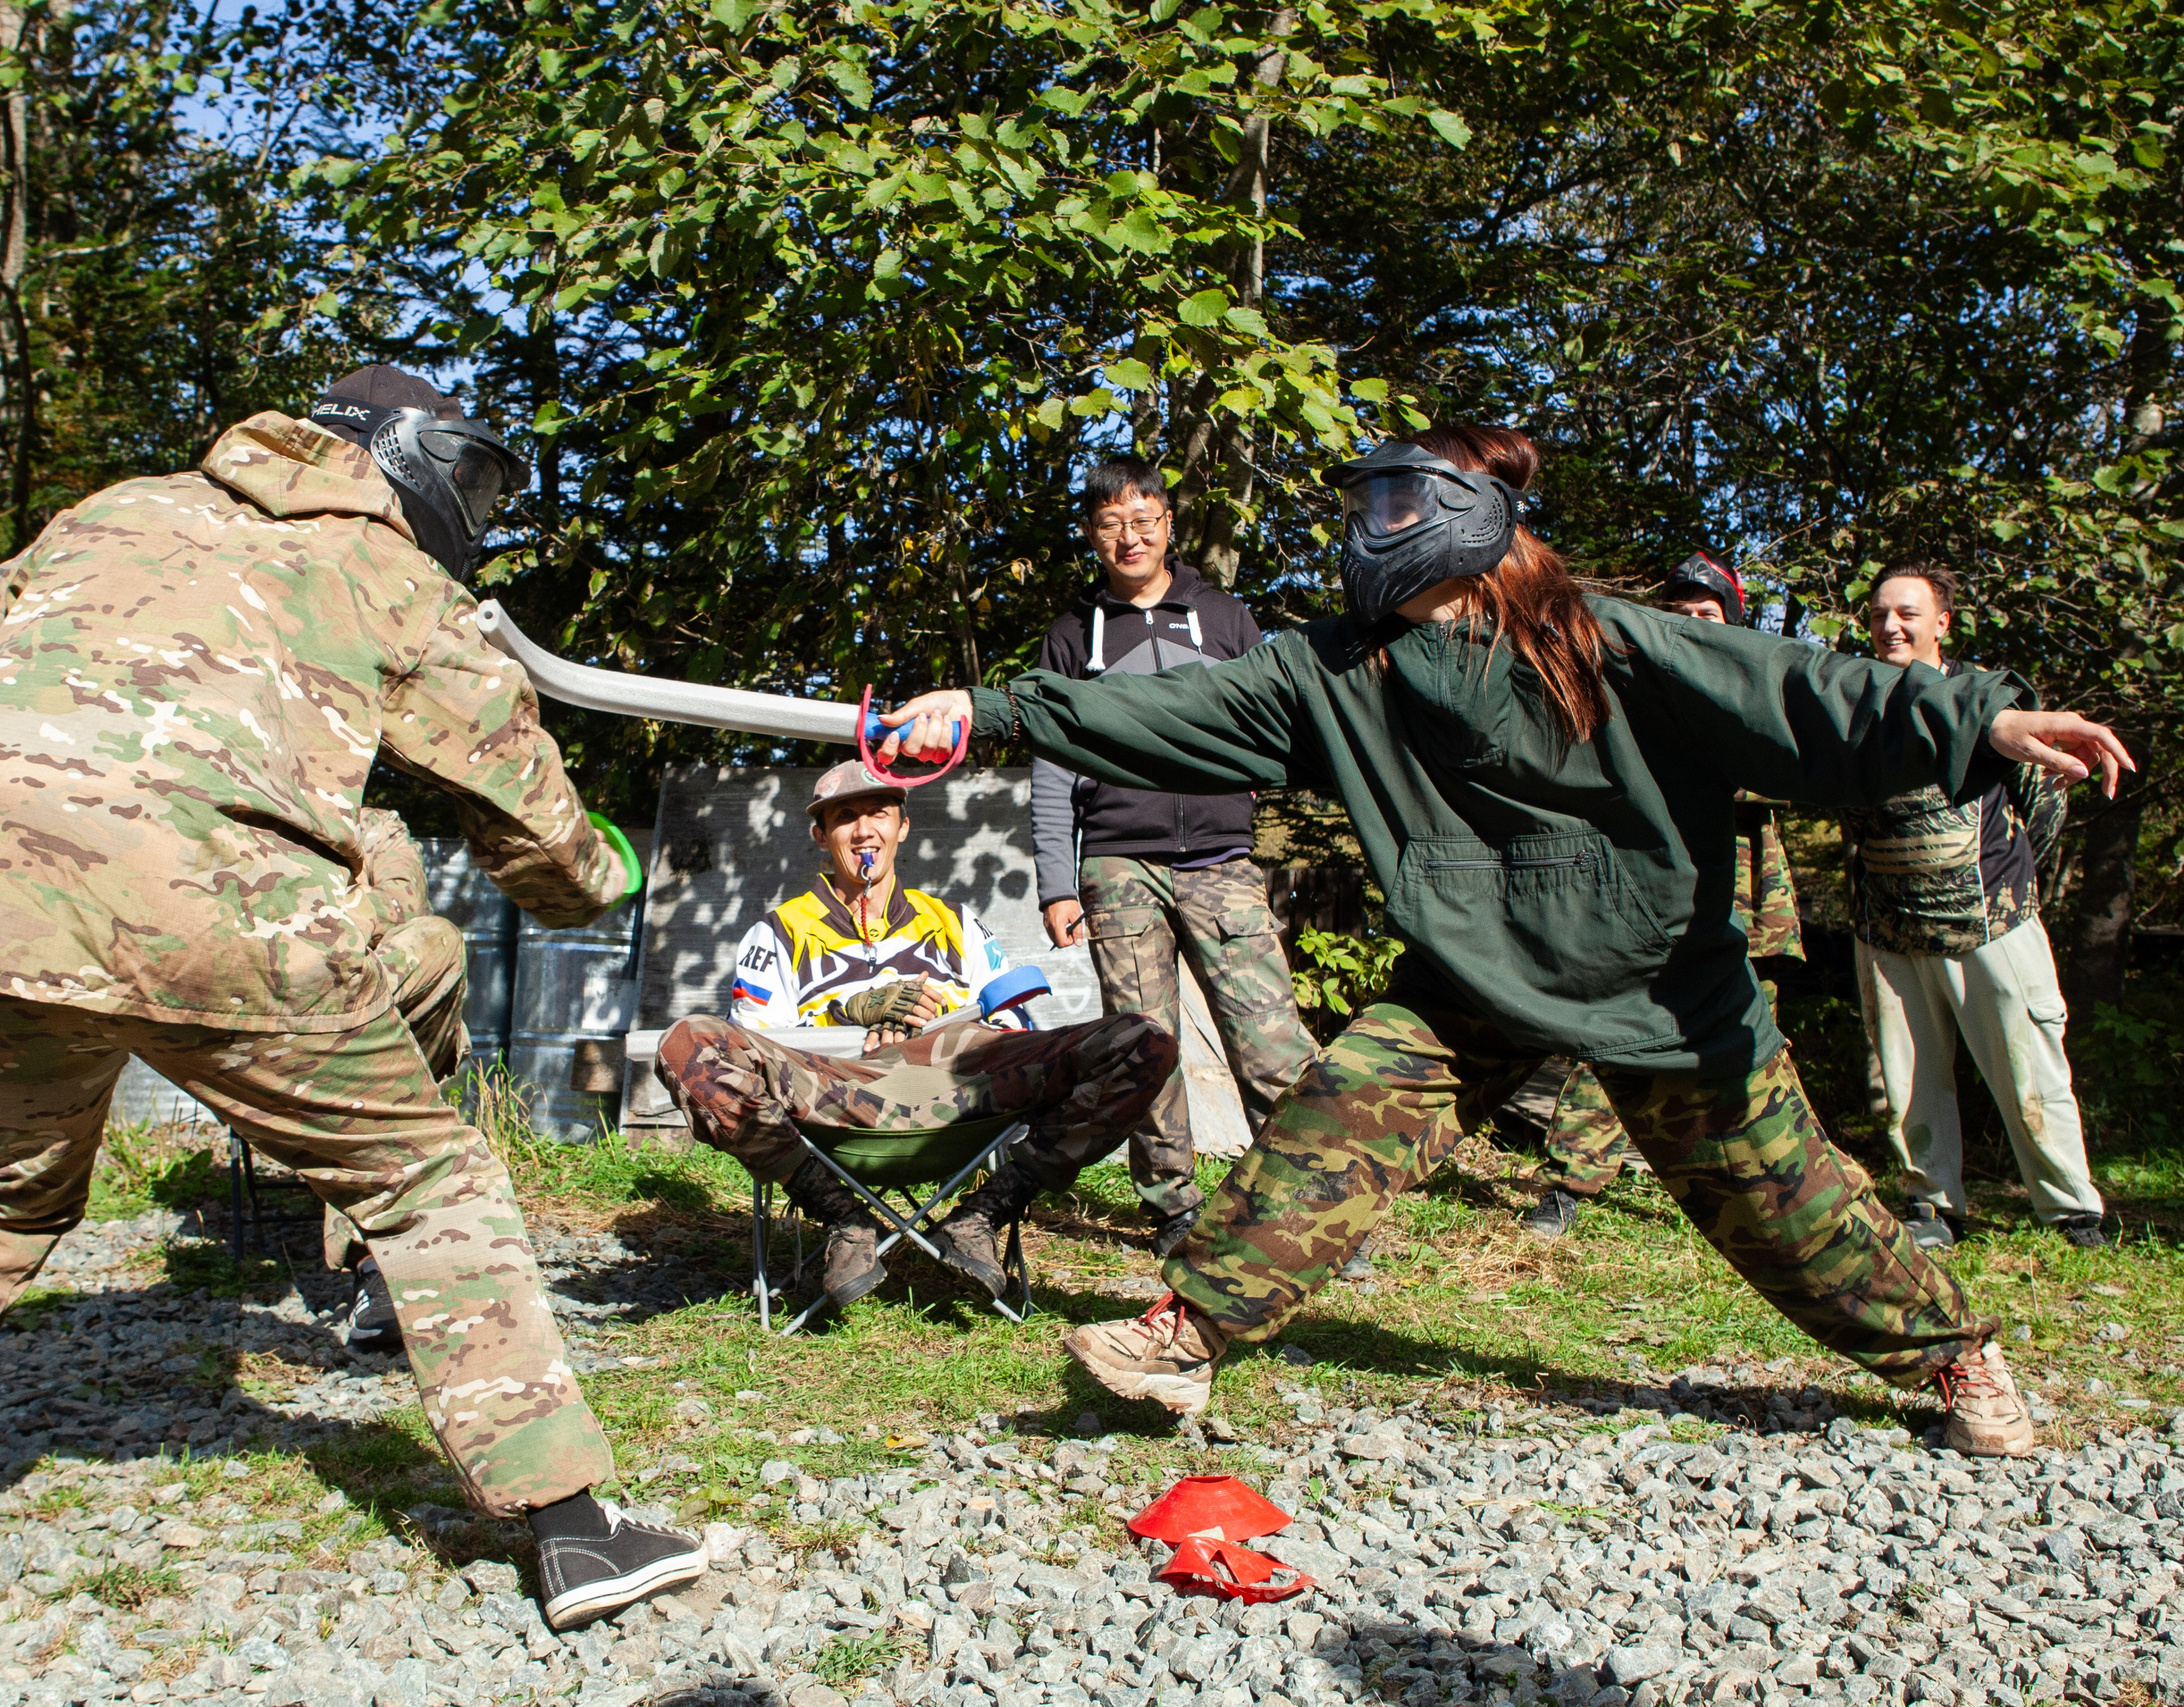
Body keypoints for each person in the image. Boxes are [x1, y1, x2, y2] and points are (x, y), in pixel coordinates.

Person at [879, 423, 2133, 1458]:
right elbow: (1163, 708)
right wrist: (989, 707)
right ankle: (1184, 1336)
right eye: (1358, 509)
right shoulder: (1335, 667)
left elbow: (1797, 688)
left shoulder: (1608, 639)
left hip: (1658, 987)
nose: (1365, 533)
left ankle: (1957, 1359)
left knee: (1791, 1211)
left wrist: (1983, 718)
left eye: (1389, 507)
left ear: (1460, 518)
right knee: (1333, 1123)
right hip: (1469, 972)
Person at [0, 365, 706, 1635]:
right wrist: (595, 872)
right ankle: (572, 1529)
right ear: (405, 457)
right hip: (220, 910)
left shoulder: (120, 509)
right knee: (425, 1181)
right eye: (473, 479)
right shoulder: (386, 570)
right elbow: (530, 818)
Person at [656, 761, 1178, 1306]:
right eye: (845, 817)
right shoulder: (777, 932)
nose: (864, 830)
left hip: (963, 1095)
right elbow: (751, 1046)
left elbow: (1013, 1021)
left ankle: (983, 1215)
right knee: (689, 1041)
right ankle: (843, 1217)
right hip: (838, 1097)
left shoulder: (955, 920)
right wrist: (844, 1013)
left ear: (902, 827)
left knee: (1145, 1039)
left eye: (878, 813)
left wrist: (943, 1028)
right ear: (820, 834)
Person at [1029, 458, 1317, 1258]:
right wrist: (1058, 882)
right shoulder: (1069, 638)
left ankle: (1309, 1201)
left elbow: (1273, 721)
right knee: (1146, 1046)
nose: (1131, 536)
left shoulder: (1224, 618)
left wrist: (1248, 789)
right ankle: (1174, 1207)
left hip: (1222, 859)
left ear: (1169, 525)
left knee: (1271, 1040)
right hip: (1118, 864)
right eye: (1112, 522)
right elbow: (1051, 770)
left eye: (1145, 518)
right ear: (1092, 534)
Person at [1504, 552, 1808, 1241]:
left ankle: (1771, 1191)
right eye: (1680, 614)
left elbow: (1784, 765)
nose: (1694, 625)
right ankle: (1568, 1183)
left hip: (1744, 890)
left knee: (1753, 1046)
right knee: (1622, 1029)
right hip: (1652, 889)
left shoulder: (1748, 676)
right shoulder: (1634, 683)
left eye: (1707, 614)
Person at [1847, 563, 2106, 1250]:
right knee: (1904, 1082)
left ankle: (2072, 1211)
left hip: (1991, 923)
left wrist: (1999, 880)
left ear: (1943, 624)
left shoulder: (1989, 702)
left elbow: (2043, 803)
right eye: (1878, 613)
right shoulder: (1853, 701)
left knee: (2031, 1069)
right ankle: (1932, 1204)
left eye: (1906, 612)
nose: (1890, 625)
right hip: (1887, 929)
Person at [322, 808, 472, 1354]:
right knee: (351, 1059)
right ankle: (381, 1262)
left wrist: (310, 923)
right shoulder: (243, 805)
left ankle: (384, 1258)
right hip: (284, 1014)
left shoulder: (373, 824)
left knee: (436, 940)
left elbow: (405, 907)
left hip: (369, 1002)